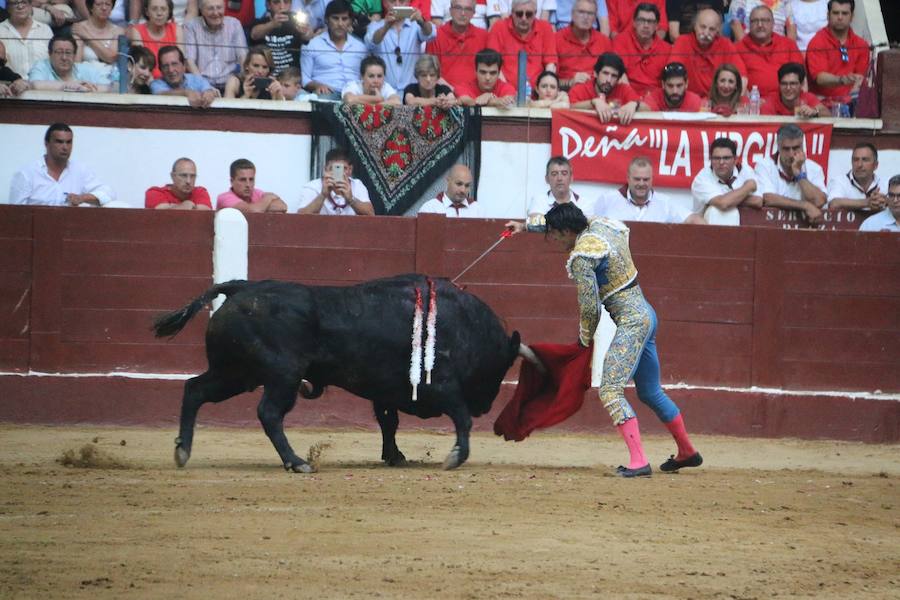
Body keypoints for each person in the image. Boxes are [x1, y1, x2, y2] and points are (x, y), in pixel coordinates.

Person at [506, 202, 703, 477]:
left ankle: (639, 461)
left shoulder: (583, 255)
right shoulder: (600, 224)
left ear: (566, 231)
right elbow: (571, 218)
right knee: (649, 391)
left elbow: (590, 308)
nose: (551, 239)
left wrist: (584, 342)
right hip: (647, 314)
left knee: (610, 391)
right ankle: (687, 451)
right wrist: (526, 226)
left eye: (554, 234)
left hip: (633, 323)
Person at [8, 123, 116, 207]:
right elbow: (15, 214)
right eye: (59, 142)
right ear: (46, 143)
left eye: (69, 142)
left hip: (70, 230)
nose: (65, 147)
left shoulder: (80, 171)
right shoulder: (27, 174)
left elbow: (109, 193)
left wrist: (82, 198)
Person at [593, 156, 705, 224]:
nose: (641, 184)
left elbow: (693, 219)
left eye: (646, 179)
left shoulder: (665, 203)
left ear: (652, 179)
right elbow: (590, 225)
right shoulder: (608, 200)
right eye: (637, 179)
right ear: (628, 178)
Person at [755, 123, 827, 224]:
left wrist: (799, 174)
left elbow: (819, 201)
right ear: (778, 147)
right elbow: (768, 198)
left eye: (796, 148)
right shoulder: (764, 165)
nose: (791, 154)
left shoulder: (814, 168)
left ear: (802, 146)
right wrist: (805, 205)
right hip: (773, 228)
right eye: (786, 149)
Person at [670, 8, 747, 98]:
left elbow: (742, 78)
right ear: (695, 26)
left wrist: (732, 100)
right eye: (703, 27)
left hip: (718, 101)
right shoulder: (682, 41)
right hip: (689, 101)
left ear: (717, 31)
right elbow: (672, 76)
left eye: (712, 29)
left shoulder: (725, 44)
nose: (706, 33)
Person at [300, 0, 367, 100]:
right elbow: (305, 80)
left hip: (355, 95)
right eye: (335, 18)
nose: (340, 23)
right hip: (326, 94)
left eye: (344, 19)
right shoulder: (311, 45)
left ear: (350, 21)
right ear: (326, 20)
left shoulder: (360, 47)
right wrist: (318, 86)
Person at [486, 0, 557, 93]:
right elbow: (493, 65)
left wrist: (543, 90)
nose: (524, 18)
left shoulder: (545, 28)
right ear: (512, 12)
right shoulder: (499, 28)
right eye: (519, 14)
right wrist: (507, 91)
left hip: (538, 93)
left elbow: (550, 65)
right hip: (504, 93)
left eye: (529, 14)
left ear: (535, 13)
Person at [805, 0, 868, 102]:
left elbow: (860, 77)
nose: (840, 17)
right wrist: (842, 80)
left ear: (852, 16)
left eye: (844, 13)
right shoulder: (817, 42)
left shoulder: (861, 45)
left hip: (852, 101)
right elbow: (820, 78)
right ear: (828, 15)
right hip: (823, 103)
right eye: (835, 13)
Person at [365, 0, 436, 91]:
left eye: (402, 1)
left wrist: (421, 21)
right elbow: (371, 42)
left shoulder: (416, 25)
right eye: (392, 1)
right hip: (384, 93)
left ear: (408, 2)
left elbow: (431, 34)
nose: (397, 5)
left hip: (411, 93)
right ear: (385, 3)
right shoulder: (375, 25)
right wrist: (386, 27)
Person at [690, 137, 761, 225]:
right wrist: (747, 187)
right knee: (716, 211)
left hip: (740, 228)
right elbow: (723, 204)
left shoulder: (745, 170)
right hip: (702, 229)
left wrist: (729, 199)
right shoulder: (702, 178)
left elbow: (758, 201)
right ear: (710, 160)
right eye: (716, 158)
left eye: (726, 158)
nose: (721, 162)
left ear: (735, 160)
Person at [735, 5, 802, 97]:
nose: (760, 25)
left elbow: (801, 79)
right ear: (749, 24)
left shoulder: (788, 45)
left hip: (785, 102)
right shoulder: (738, 48)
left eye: (765, 20)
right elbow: (738, 83)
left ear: (773, 23)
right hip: (753, 103)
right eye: (755, 21)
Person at [184, 0, 248, 91]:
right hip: (203, 84)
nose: (216, 13)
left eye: (219, 8)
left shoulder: (234, 24)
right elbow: (189, 62)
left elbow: (243, 57)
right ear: (202, 11)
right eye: (210, 8)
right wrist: (204, 87)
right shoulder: (191, 26)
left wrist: (244, 79)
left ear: (224, 8)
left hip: (231, 83)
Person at [425, 0, 488, 90]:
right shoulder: (436, 36)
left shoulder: (483, 36)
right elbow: (431, 73)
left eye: (468, 9)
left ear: (474, 13)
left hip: (476, 96)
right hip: (444, 95)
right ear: (450, 10)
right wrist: (454, 91)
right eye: (458, 8)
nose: (462, 13)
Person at [611, 2, 670, 96]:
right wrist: (633, 99)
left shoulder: (667, 49)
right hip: (626, 97)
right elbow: (619, 75)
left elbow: (668, 83)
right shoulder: (621, 41)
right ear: (634, 23)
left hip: (655, 101)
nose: (646, 25)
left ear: (656, 26)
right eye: (641, 20)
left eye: (650, 21)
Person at [568, 52, 642, 124]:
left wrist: (634, 104)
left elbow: (649, 108)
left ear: (618, 80)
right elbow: (569, 107)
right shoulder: (581, 89)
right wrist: (594, 102)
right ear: (595, 73)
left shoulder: (623, 89)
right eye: (605, 73)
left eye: (614, 76)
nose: (608, 80)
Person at [297, 147, 375, 215]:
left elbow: (370, 214)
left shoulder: (357, 185)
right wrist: (323, 195)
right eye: (333, 169)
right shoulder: (312, 187)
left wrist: (351, 199)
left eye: (343, 169)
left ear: (350, 170)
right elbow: (300, 217)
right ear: (325, 169)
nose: (338, 173)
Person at [554, 0, 610, 91]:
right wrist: (571, 82)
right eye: (581, 12)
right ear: (572, 14)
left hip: (597, 95)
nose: (585, 17)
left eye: (590, 13)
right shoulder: (556, 39)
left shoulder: (604, 41)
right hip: (565, 95)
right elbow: (548, 80)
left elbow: (613, 77)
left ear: (595, 17)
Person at [28, 34, 114, 92]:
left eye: (68, 53)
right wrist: (69, 86)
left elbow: (108, 88)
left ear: (74, 55)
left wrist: (84, 89)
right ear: (50, 54)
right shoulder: (41, 66)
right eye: (59, 52)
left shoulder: (86, 68)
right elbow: (35, 85)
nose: (64, 58)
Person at [248, 0, 314, 76]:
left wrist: (305, 32)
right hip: (266, 75)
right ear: (268, 5)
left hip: (291, 79)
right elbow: (254, 35)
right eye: (276, 2)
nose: (282, 7)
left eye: (286, 2)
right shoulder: (261, 22)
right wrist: (272, 24)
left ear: (291, 4)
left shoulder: (297, 22)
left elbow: (309, 37)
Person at [127, 0, 187, 79]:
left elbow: (181, 63)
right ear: (147, 11)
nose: (159, 13)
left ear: (169, 12)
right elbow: (140, 64)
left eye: (163, 9)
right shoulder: (137, 31)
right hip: (148, 79)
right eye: (154, 9)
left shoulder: (176, 29)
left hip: (173, 78)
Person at [151, 45, 220, 107]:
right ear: (160, 70)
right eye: (165, 66)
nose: (171, 70)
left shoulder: (197, 80)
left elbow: (208, 91)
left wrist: (209, 94)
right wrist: (185, 92)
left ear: (184, 66)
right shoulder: (156, 84)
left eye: (174, 64)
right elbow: (160, 94)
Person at [72, 0, 125, 80]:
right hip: (85, 78)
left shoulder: (118, 31)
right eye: (99, 4)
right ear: (91, 7)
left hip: (110, 79)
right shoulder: (79, 28)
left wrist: (86, 36)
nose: (104, 8)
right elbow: (77, 63)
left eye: (108, 4)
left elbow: (111, 57)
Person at [0, 0, 53, 80]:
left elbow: (53, 60)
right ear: (8, 8)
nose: (20, 6)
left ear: (31, 5)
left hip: (42, 86)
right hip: (10, 86)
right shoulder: (0, 30)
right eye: (15, 3)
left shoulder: (45, 30)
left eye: (24, 2)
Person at [826, 143, 887, 212]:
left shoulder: (886, 183)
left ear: (875, 165)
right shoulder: (840, 181)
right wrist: (867, 202)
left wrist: (885, 201)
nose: (859, 165)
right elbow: (833, 204)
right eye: (856, 160)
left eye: (865, 160)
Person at [216, 158, 287, 213]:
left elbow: (283, 207)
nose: (248, 184)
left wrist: (260, 207)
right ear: (232, 181)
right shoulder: (224, 198)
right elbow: (252, 211)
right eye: (243, 180)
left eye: (251, 179)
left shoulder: (256, 193)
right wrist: (268, 199)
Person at [760, 62, 827, 118]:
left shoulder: (808, 97)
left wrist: (814, 111)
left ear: (802, 84)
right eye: (784, 83)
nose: (788, 88)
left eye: (793, 83)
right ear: (779, 84)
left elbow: (827, 114)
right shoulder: (771, 101)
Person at [144, 157, 213, 209]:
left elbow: (206, 214)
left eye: (192, 176)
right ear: (172, 176)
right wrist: (185, 205)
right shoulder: (155, 192)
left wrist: (172, 207)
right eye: (183, 175)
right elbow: (161, 215)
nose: (188, 181)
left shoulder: (200, 192)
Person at [729, 0, 795, 40]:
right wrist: (747, 49)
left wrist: (787, 50)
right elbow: (736, 24)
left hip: (778, 48)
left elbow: (791, 27)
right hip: (750, 47)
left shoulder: (785, 1)